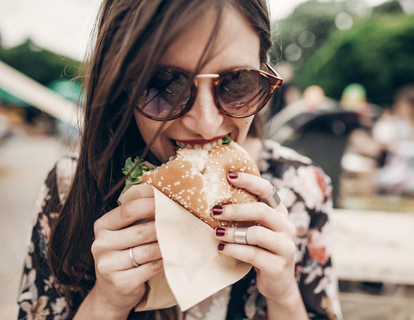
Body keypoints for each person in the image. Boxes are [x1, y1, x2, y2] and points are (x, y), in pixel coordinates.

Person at [16, 1, 342, 319]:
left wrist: (284, 294)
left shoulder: (304, 189)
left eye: (237, 82)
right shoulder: (67, 189)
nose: (206, 123)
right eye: (164, 85)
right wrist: (106, 303)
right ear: (118, 86)